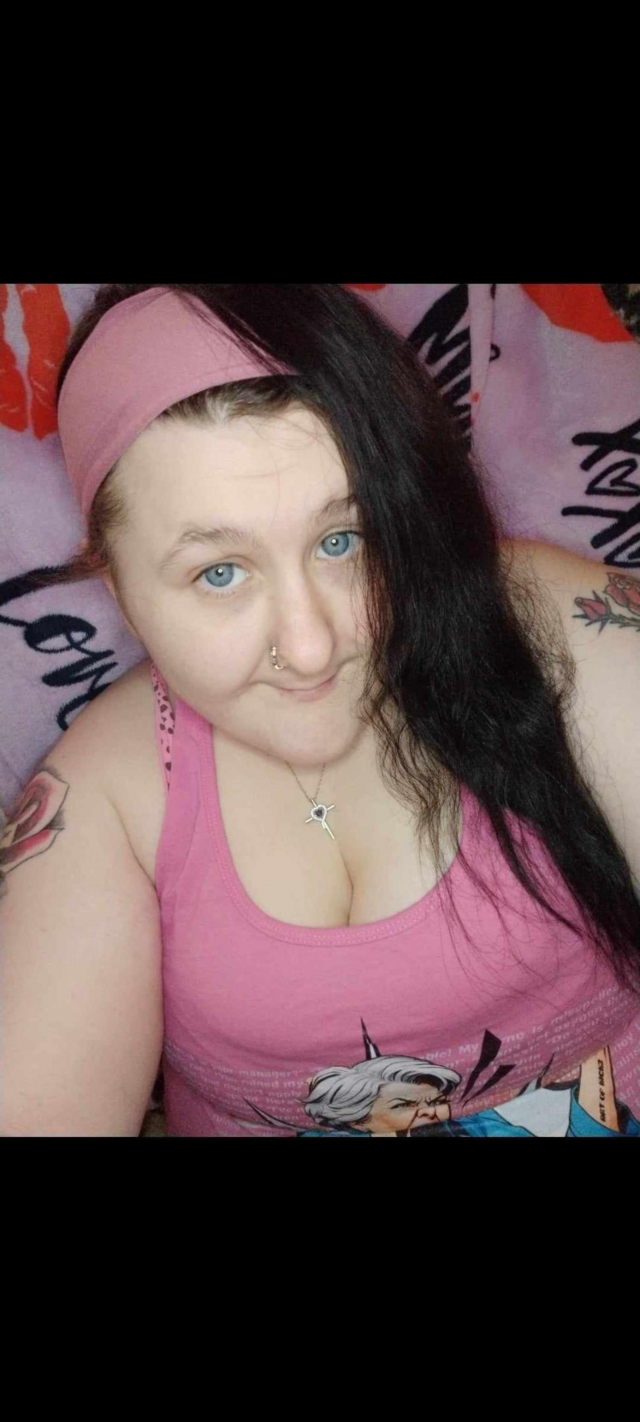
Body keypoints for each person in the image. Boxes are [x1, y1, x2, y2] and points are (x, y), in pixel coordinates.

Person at [3, 284, 640, 1138]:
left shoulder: (562, 631)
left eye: (344, 540)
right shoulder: (103, 790)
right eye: (219, 573)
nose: (309, 647)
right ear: (118, 584)